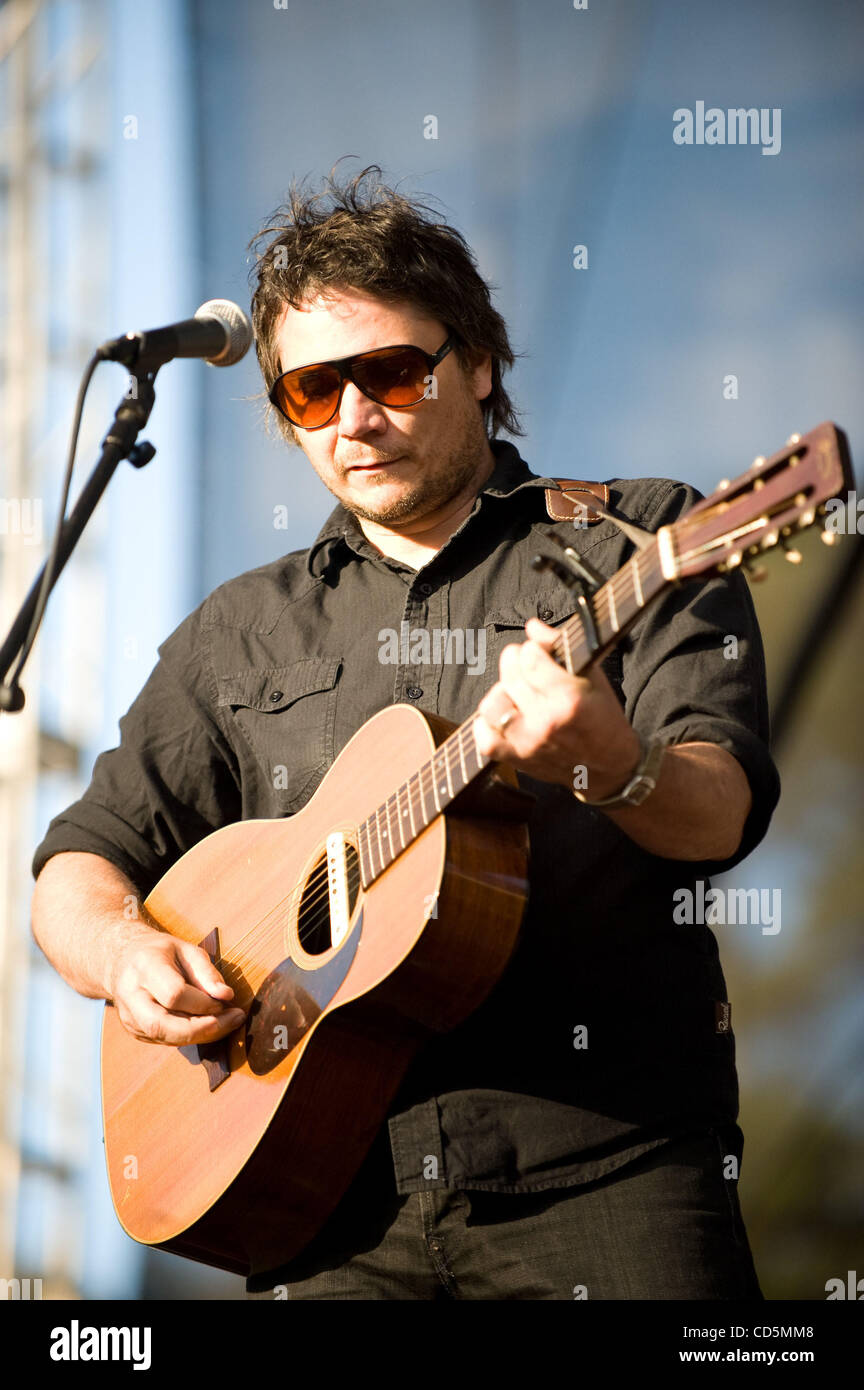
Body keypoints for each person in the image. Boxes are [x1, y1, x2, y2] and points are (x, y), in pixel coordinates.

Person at [30, 164, 779, 1300]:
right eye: (311, 393)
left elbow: (718, 809)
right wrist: (125, 953)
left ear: (478, 365)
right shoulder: (237, 630)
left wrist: (612, 767)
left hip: (609, 1180)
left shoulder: (642, 539)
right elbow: (76, 866)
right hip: (316, 1205)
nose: (355, 419)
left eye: (389, 371)